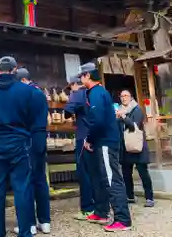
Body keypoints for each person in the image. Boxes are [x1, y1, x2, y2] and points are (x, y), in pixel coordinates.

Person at [0, 57, 38, 237]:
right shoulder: (26, 91)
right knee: (22, 188)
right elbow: (33, 119)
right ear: (14, 70)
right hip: (19, 143)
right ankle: (25, 231)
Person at [79, 62, 132, 232]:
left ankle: (123, 219)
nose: (81, 79)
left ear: (88, 76)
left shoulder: (96, 93)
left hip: (105, 142)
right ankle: (101, 211)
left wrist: (90, 139)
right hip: (104, 140)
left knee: (111, 178)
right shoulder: (100, 92)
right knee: (102, 177)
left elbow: (97, 121)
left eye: (82, 76)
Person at [15, 67, 50, 235]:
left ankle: (29, 223)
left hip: (28, 138)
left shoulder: (25, 94)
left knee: (27, 180)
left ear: (22, 81)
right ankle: (45, 221)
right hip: (41, 137)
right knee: (41, 179)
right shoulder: (40, 93)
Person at [63, 76, 94, 220]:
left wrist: (72, 100)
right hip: (96, 135)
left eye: (71, 87)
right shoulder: (94, 92)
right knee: (96, 172)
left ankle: (88, 208)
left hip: (83, 137)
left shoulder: (78, 94)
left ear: (75, 84)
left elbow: (67, 112)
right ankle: (100, 206)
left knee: (84, 172)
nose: (71, 91)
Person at [117, 89, 154, 207]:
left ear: (131, 97)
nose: (123, 98)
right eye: (121, 96)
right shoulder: (119, 111)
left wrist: (123, 116)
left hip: (137, 145)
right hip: (125, 146)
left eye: (126, 96)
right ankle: (130, 196)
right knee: (126, 174)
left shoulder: (137, 109)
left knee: (143, 173)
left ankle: (149, 197)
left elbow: (134, 126)